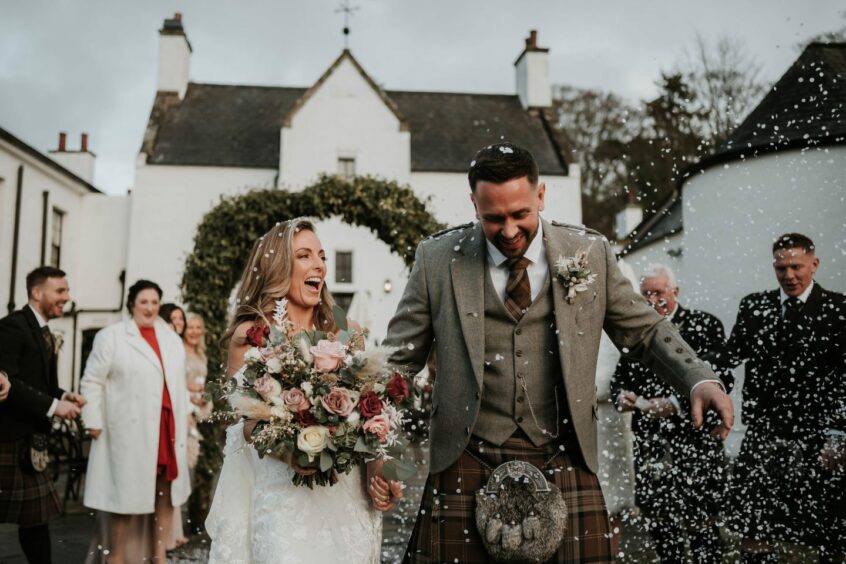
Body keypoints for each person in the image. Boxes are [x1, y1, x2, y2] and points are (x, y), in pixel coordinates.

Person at [384, 142, 734, 563]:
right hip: (466, 454)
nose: (509, 231)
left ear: (541, 196)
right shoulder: (438, 259)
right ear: (474, 204)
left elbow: (644, 330)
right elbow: (399, 361)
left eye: (520, 214)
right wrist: (369, 441)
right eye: (494, 218)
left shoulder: (589, 252)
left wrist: (698, 376)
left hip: (562, 450)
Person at [206, 218, 400, 564]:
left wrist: (379, 471)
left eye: (322, 256)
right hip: (284, 501)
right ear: (278, 266)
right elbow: (245, 424)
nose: (320, 265)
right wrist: (288, 453)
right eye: (305, 256)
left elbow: (372, 416)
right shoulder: (251, 335)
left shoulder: (346, 330)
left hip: (345, 499)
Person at [709, 233, 845, 563]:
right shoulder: (755, 307)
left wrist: (838, 434)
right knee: (754, 529)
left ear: (814, 265)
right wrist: (713, 398)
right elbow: (728, 360)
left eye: (796, 266)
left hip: (818, 437)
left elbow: (844, 376)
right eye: (780, 268)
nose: (789, 276)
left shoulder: (838, 309)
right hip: (764, 434)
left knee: (833, 535)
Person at [611, 264, 730, 563]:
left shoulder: (705, 324)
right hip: (651, 443)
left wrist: (675, 404)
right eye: (646, 293)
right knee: (660, 522)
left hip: (696, 438)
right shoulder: (636, 332)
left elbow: (720, 375)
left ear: (675, 291)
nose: (652, 300)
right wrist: (621, 396)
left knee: (701, 522)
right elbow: (619, 379)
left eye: (658, 292)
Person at [80, 279, 191, 564]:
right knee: (124, 498)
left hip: (166, 425)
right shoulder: (112, 336)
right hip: (129, 429)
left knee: (165, 491)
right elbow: (92, 381)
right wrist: (92, 420)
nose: (150, 308)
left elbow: (178, 382)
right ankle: (115, 557)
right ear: (132, 304)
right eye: (144, 302)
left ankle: (158, 554)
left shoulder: (170, 338)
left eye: (155, 302)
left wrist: (187, 413)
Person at [0, 266, 86, 564]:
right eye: (60, 291)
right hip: (9, 438)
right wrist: (52, 406)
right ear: (37, 293)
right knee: (33, 522)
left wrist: (62, 395)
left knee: (36, 521)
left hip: (31, 438)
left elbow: (36, 381)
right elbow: (8, 382)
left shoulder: (42, 330)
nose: (67, 297)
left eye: (66, 290)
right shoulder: (12, 327)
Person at [167, 312, 211, 549]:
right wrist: (190, 391)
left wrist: (204, 400)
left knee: (188, 469)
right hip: (182, 411)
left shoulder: (201, 353)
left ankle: (177, 529)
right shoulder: (179, 351)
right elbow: (174, 381)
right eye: (190, 327)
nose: (193, 331)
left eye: (198, 327)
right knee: (180, 468)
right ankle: (172, 531)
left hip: (196, 413)